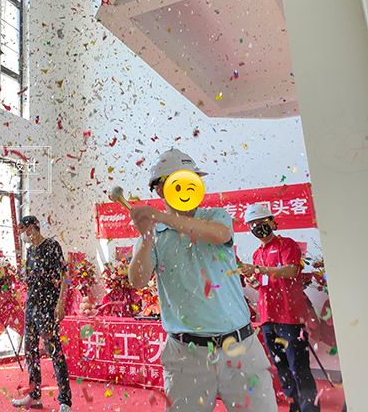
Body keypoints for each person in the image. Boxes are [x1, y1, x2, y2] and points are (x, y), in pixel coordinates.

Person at [127, 149, 277, 412]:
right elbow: (137, 280)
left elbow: (219, 235)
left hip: (240, 347)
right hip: (186, 354)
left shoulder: (214, 216)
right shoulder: (153, 235)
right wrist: (147, 235)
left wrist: (160, 217)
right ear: (160, 190)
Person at [240, 204, 319, 412]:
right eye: (252, 224)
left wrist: (258, 269)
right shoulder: (257, 254)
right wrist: (253, 281)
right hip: (268, 318)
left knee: (299, 367)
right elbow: (263, 282)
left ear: (271, 222)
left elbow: (290, 271)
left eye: (261, 222)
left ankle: (310, 409)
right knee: (281, 367)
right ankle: (295, 406)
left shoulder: (287, 244)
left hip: (289, 317)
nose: (258, 227)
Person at [11, 215, 73, 412]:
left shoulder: (52, 246)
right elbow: (30, 279)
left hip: (48, 307)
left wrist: (60, 303)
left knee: (54, 351)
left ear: (32, 228)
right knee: (30, 352)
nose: (22, 234)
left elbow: (64, 275)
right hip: (31, 306)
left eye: (22, 230)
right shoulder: (30, 251)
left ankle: (65, 401)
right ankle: (34, 396)